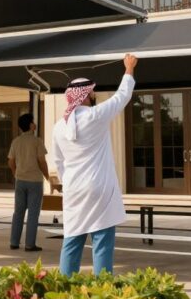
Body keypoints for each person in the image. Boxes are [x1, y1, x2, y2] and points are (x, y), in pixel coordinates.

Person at [52, 54, 138, 276]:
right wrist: (129, 69)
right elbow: (122, 96)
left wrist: (67, 182)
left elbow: (59, 162)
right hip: (99, 187)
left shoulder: (58, 128)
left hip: (73, 190)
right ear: (86, 95)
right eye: (92, 92)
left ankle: (64, 288)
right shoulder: (95, 116)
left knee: (72, 241)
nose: (95, 95)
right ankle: (102, 291)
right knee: (102, 242)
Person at [8, 113, 50, 252]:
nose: (35, 123)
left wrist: (16, 174)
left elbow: (11, 161)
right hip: (35, 182)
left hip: (20, 181)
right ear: (31, 125)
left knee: (18, 212)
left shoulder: (16, 141)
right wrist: (48, 177)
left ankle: (14, 242)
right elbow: (42, 161)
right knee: (33, 213)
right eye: (33, 121)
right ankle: (29, 244)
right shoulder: (37, 141)